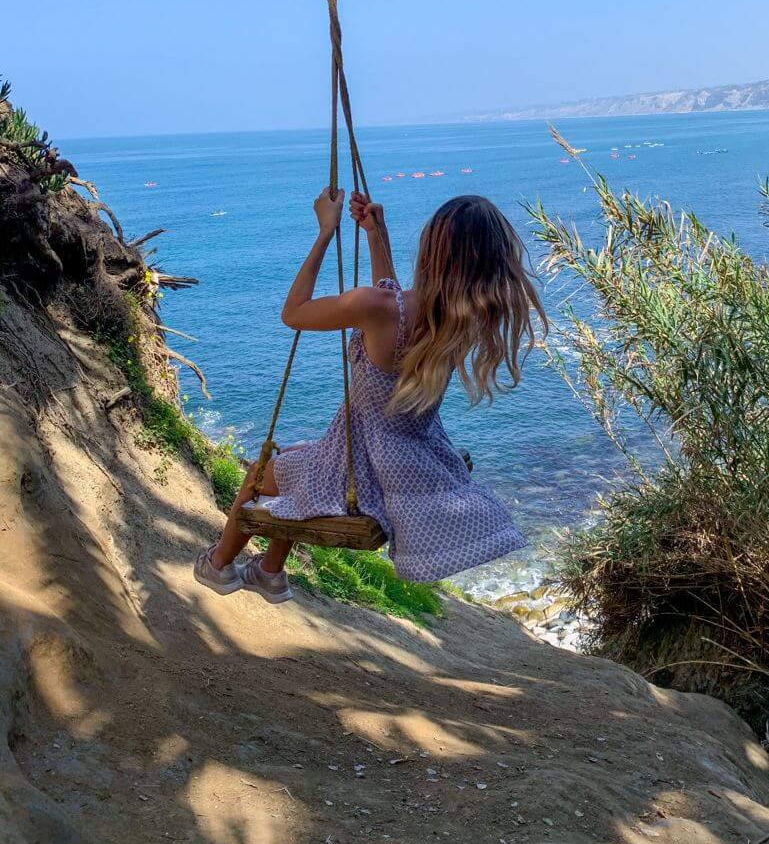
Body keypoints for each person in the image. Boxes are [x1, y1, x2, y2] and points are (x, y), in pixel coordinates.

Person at [194, 188, 546, 603]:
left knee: (260, 473)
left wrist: (326, 231)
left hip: (362, 467)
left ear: (433, 249)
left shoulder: (378, 307)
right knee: (299, 458)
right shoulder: (459, 315)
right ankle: (269, 572)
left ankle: (219, 565)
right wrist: (376, 236)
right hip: (412, 460)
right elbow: (395, 305)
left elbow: (294, 313)